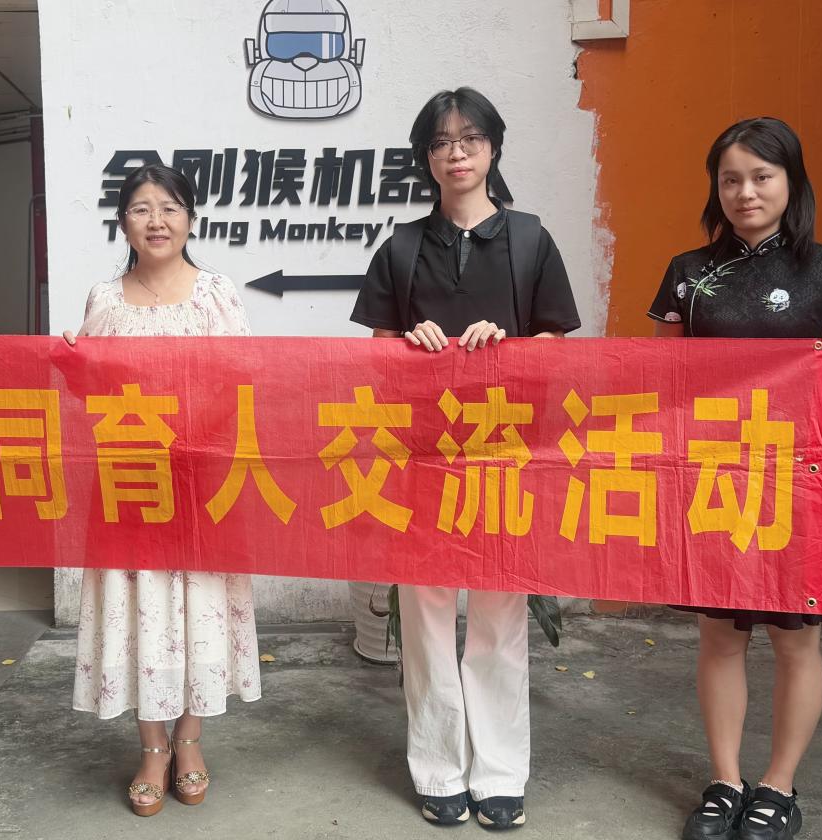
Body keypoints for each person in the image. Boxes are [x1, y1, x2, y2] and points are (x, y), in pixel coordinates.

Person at [350, 87, 581, 830]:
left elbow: (556, 346)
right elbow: (377, 356)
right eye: (442, 141)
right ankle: (438, 768)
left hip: (505, 454)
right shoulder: (400, 247)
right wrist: (408, 344)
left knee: (498, 615)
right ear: (426, 157)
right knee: (423, 615)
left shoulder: (530, 240)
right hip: (421, 457)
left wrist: (510, 347)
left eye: (470, 139)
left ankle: (500, 773)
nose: (457, 153)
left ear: (493, 149)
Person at [650, 117, 822, 840]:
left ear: (791, 183)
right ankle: (724, 781)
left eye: (761, 177)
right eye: (730, 179)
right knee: (719, 636)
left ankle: (777, 787)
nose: (745, 192)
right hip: (716, 478)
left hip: (800, 482)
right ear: (714, 189)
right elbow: (661, 380)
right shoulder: (687, 273)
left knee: (795, 641)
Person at [62, 164, 259, 816]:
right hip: (129, 483)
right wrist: (71, 361)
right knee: (136, 608)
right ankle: (152, 747)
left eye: (170, 207)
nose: (156, 221)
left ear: (191, 219)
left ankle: (190, 739)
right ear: (123, 223)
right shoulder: (104, 298)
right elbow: (88, 395)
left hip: (200, 483)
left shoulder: (217, 294)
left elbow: (242, 384)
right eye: (141, 208)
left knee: (197, 607)